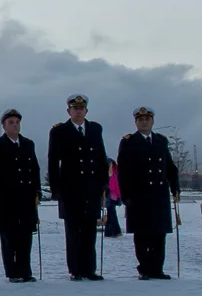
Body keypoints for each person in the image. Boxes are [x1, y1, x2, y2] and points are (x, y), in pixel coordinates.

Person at [47, 94, 108, 281]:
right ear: (69, 111)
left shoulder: (95, 129)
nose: (79, 111)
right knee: (73, 231)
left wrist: (103, 184)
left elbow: (101, 158)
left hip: (91, 187)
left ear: (86, 111)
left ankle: (89, 269)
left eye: (82, 108)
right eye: (75, 108)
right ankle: (75, 269)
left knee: (90, 230)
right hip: (70, 189)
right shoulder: (59, 131)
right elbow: (53, 161)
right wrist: (56, 189)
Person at [116, 106, 180, 280]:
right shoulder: (129, 142)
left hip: (158, 194)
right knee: (142, 234)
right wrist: (126, 195)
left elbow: (169, 166)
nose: (144, 122)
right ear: (136, 122)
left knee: (159, 234)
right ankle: (144, 268)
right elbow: (124, 171)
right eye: (140, 120)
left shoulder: (160, 141)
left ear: (152, 121)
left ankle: (157, 268)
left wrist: (175, 187)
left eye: (147, 119)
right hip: (139, 195)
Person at [0, 108, 41, 283]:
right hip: (6, 197)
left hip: (26, 197)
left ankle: (25, 270)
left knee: (25, 234)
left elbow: (35, 169)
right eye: (11, 122)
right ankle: (12, 271)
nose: (15, 125)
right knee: (9, 236)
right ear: (3, 126)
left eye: (17, 122)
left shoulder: (28, 144)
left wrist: (37, 191)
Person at [104, 158, 123, 238]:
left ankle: (111, 231)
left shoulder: (114, 173)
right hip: (109, 195)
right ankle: (113, 231)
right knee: (111, 213)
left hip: (113, 195)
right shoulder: (108, 174)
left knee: (111, 213)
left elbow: (117, 185)